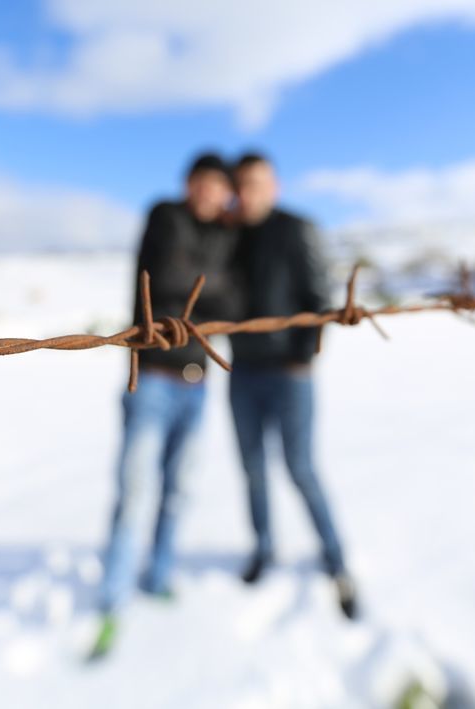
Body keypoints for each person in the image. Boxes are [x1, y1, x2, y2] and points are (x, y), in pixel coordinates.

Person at [91, 153, 242, 659]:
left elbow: (236, 302)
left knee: (179, 488)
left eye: (219, 186)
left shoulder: (227, 235)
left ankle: (157, 576)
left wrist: (211, 294)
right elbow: (173, 279)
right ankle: (113, 594)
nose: (209, 193)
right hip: (151, 378)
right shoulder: (165, 216)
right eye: (202, 183)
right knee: (134, 489)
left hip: (198, 382)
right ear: (188, 184)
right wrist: (213, 293)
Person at [228, 152, 359, 620]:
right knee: (252, 469)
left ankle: (336, 559)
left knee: (301, 468)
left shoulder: (296, 227)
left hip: (289, 373)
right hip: (241, 371)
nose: (248, 194)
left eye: (257, 183)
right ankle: (264, 549)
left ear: (274, 186)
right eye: (241, 185)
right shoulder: (230, 235)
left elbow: (319, 297)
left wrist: (303, 357)